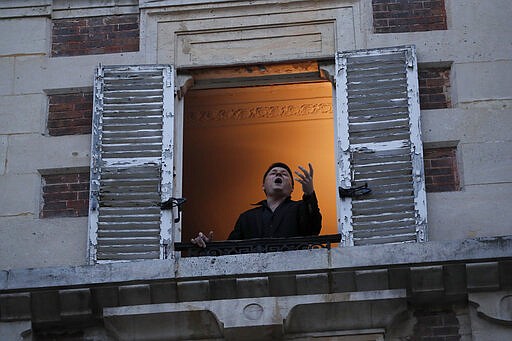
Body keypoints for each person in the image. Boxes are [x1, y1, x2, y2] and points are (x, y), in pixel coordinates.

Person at [191, 162, 322, 247]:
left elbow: (313, 229)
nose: (278, 174)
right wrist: (208, 247)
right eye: (273, 173)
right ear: (263, 186)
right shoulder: (247, 218)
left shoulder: (300, 208)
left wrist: (309, 193)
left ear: (292, 188)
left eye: (284, 174)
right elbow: (230, 249)